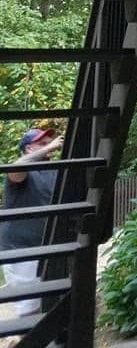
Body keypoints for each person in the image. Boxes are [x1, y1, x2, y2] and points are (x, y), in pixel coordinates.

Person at [0, 128, 63, 316]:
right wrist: (48, 148)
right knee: (30, 308)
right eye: (42, 144)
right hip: (20, 250)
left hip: (47, 246)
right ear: (29, 149)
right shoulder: (23, 172)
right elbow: (15, 168)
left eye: (49, 143)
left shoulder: (54, 170)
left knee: (52, 300)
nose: (50, 148)